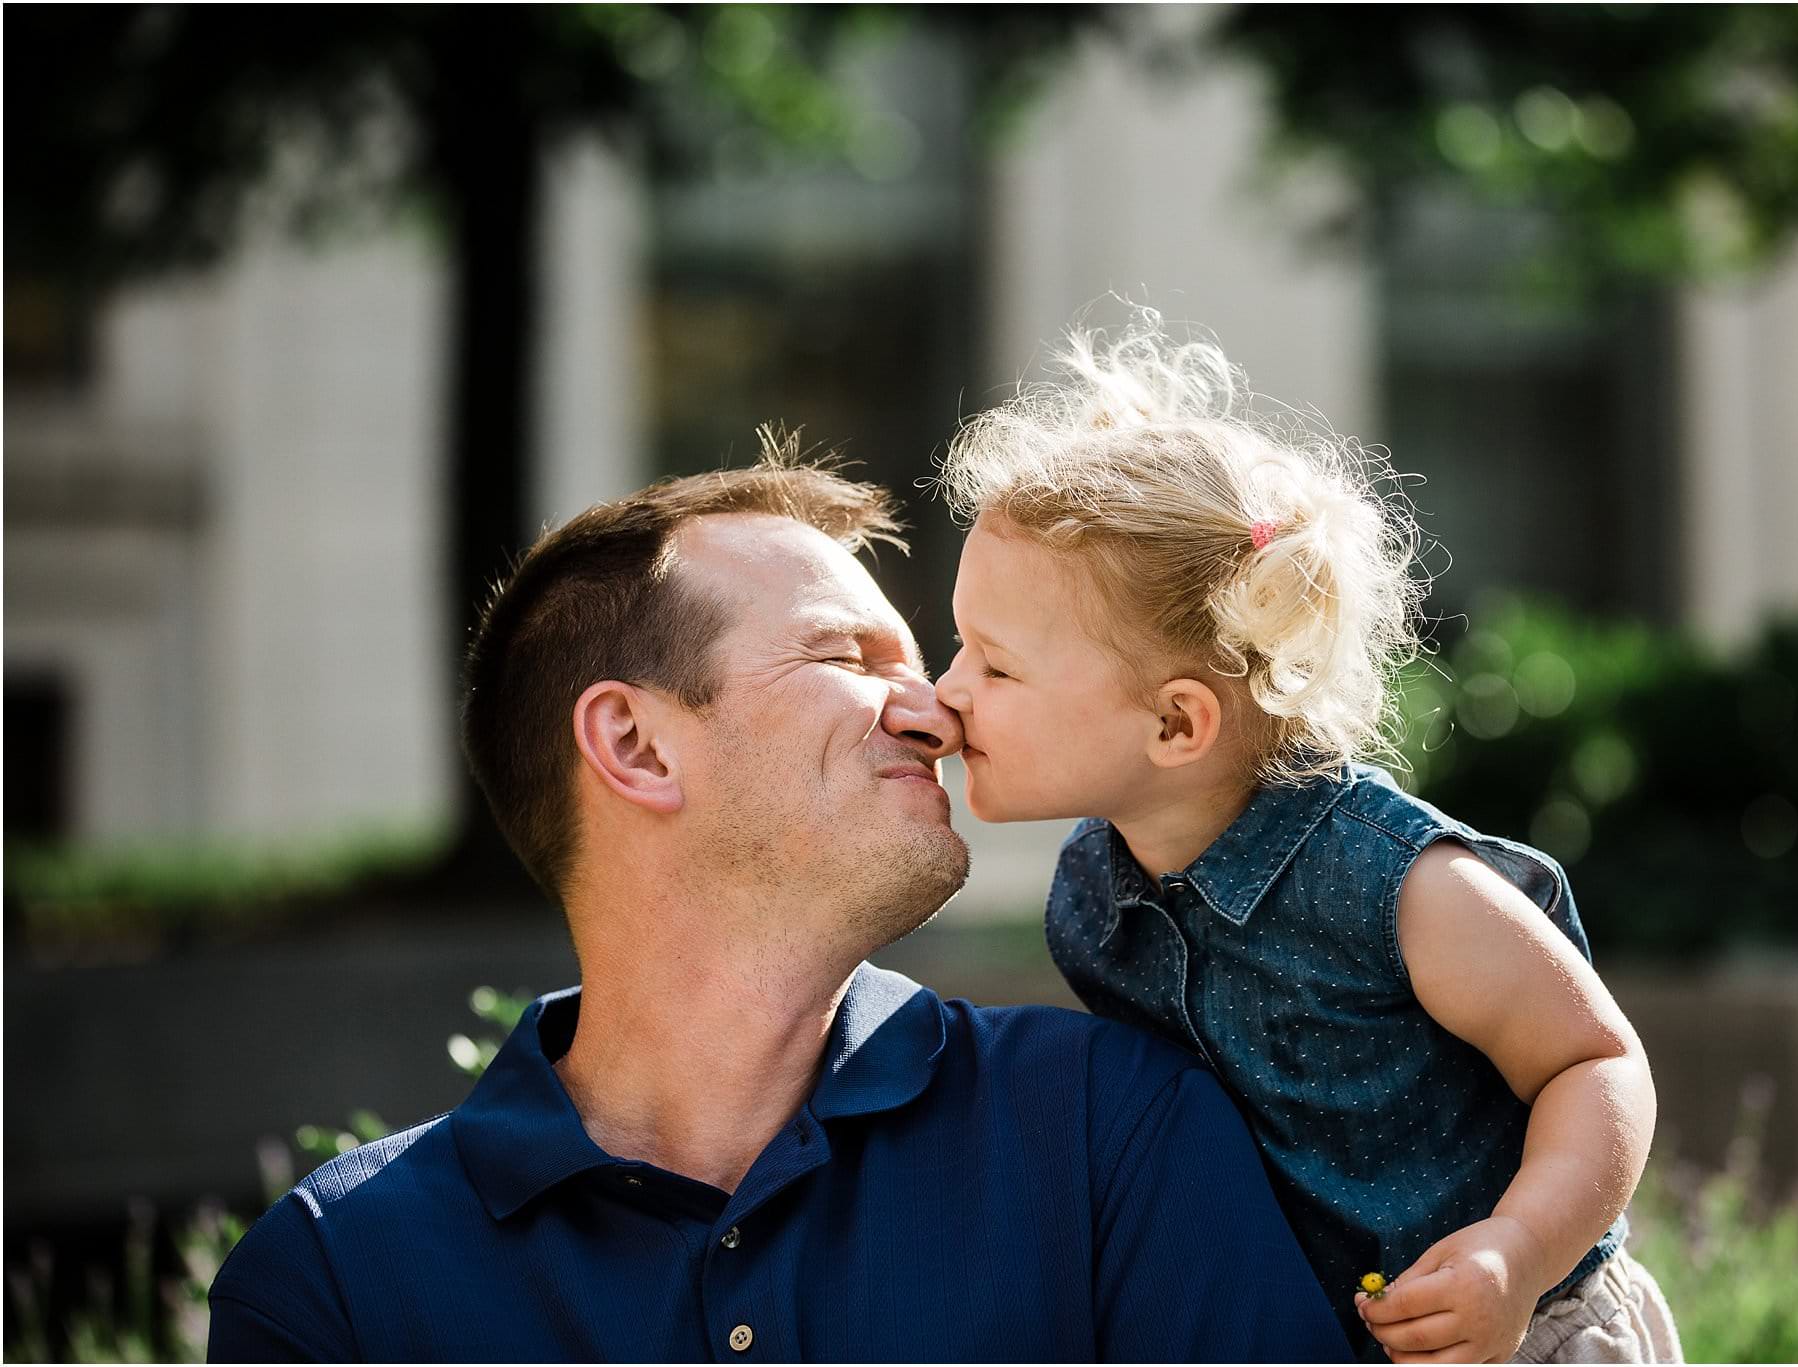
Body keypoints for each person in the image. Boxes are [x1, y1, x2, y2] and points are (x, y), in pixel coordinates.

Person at [206, 435, 1353, 1363]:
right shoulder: (335, 1283)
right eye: (848, 658)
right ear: (635, 743)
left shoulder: (1115, 1132)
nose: (938, 712)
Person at [932, 313, 1683, 1364]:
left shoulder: (1394, 880)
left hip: (1523, 1330)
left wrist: (1514, 1253)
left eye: (993, 665)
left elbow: (1593, 1060)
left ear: (1175, 724)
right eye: (958, 645)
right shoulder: (1092, 894)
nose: (946, 687)